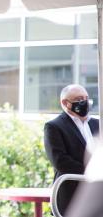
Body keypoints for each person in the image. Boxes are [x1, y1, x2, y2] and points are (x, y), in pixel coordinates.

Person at [44, 84, 99, 215]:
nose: (84, 102)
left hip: (96, 197)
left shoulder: (97, 124)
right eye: (79, 98)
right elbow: (60, 161)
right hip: (70, 195)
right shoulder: (54, 127)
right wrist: (92, 172)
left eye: (86, 98)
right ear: (65, 103)